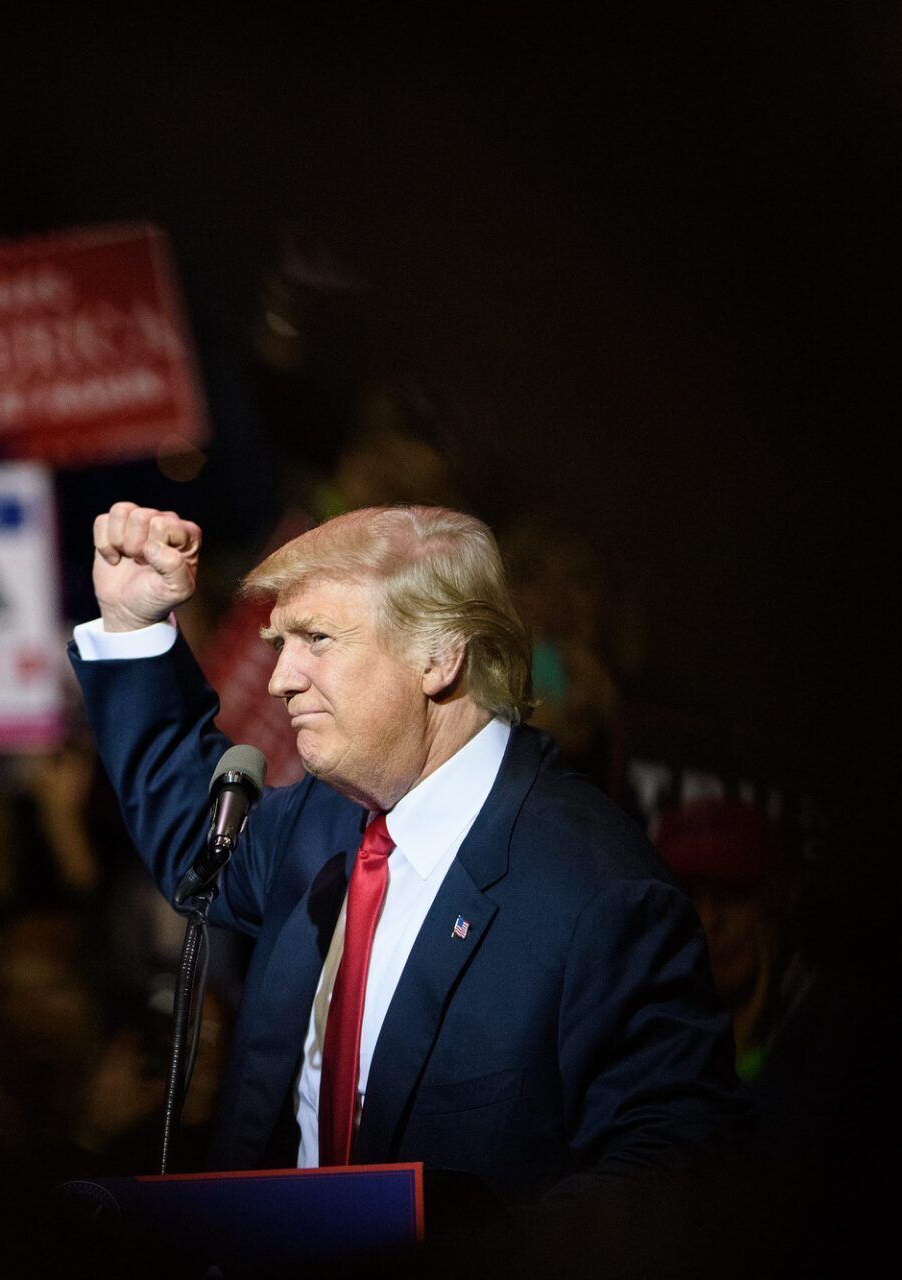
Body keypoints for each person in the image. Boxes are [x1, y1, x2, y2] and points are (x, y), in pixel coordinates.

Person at [67, 501, 745, 1215]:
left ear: (440, 654)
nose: (279, 680)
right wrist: (134, 625)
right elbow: (193, 843)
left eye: (317, 639)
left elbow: (671, 1160)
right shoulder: (316, 823)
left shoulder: (599, 892)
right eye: (279, 643)